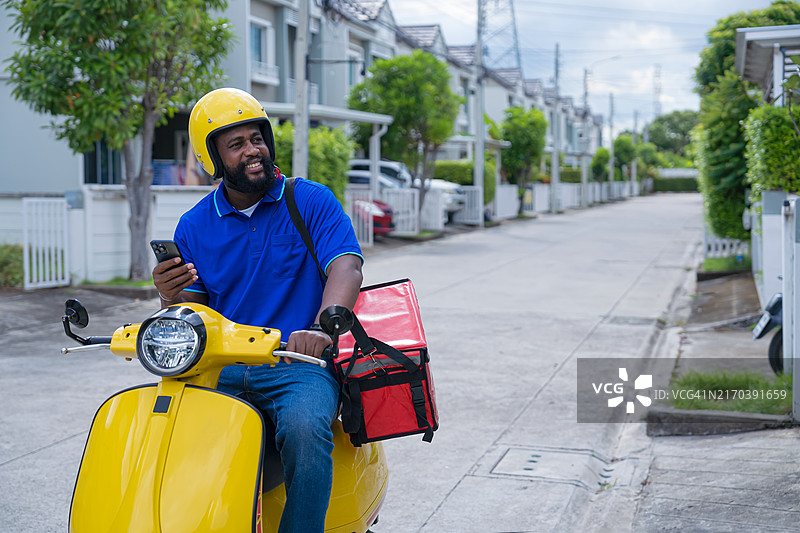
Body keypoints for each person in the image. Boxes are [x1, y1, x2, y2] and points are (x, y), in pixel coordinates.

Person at [152, 87, 363, 533]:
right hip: (222, 365)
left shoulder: (308, 199)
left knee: (305, 429)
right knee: (165, 430)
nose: (253, 151)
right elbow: (196, 309)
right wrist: (170, 295)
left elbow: (345, 266)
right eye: (237, 144)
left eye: (257, 138)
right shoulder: (193, 225)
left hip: (298, 360)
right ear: (213, 159)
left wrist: (322, 328)